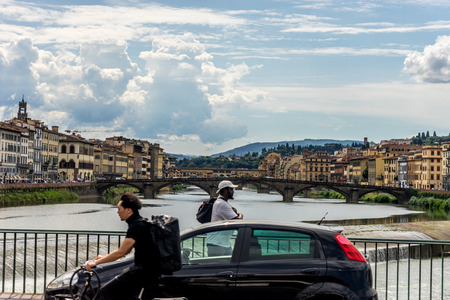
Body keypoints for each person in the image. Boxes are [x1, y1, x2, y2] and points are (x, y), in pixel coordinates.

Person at [86, 192, 159, 300]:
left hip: (143, 272)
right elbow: (126, 250)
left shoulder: (136, 226)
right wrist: (104, 258)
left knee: (105, 292)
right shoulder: (140, 223)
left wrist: (96, 262)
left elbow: (121, 252)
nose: (117, 212)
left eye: (119, 209)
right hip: (148, 271)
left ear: (128, 210)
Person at [206, 180, 243, 256]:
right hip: (216, 244)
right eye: (231, 189)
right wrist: (241, 215)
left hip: (224, 243)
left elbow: (233, 213)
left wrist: (235, 213)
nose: (233, 191)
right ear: (225, 190)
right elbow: (237, 221)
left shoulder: (224, 202)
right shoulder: (222, 204)